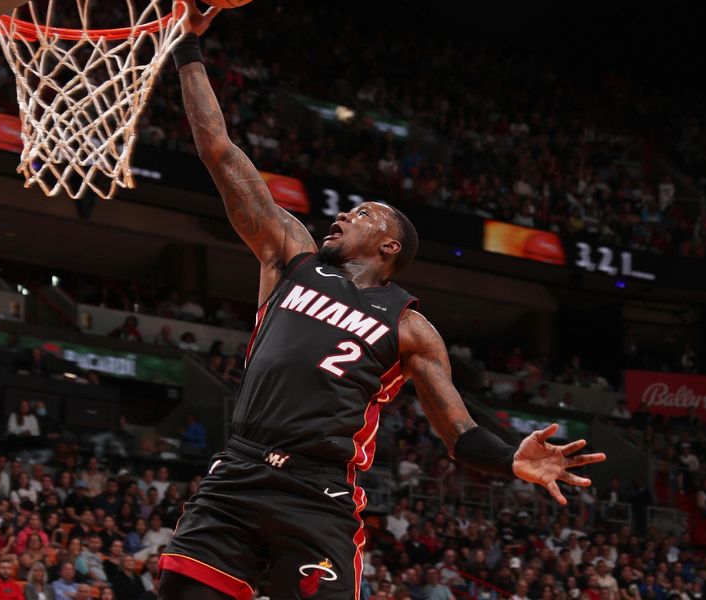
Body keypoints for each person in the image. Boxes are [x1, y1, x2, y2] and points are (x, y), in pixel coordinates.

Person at [158, 5, 606, 600]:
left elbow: (458, 433)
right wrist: (187, 46)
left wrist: (510, 461)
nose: (343, 215)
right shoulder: (290, 255)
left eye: (362, 213)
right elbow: (218, 149)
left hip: (319, 496)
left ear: (389, 245)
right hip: (237, 473)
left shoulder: (411, 327)